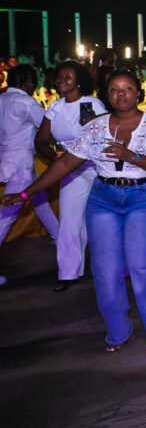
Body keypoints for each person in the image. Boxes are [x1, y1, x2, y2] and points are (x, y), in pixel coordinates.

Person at [3, 70, 146, 351]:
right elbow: (64, 164)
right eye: (114, 89)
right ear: (107, 96)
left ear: (138, 93)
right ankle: (118, 330)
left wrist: (131, 156)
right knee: (105, 270)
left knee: (141, 265)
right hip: (103, 200)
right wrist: (26, 193)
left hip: (142, 198)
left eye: (128, 88)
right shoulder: (95, 128)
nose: (121, 94)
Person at [33, 61, 107, 291]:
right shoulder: (55, 107)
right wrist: (58, 160)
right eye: (59, 76)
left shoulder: (91, 104)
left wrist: (94, 122)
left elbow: (104, 136)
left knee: (104, 220)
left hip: (97, 168)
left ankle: (117, 267)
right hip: (70, 170)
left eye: (68, 76)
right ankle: (68, 272)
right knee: (69, 220)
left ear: (79, 80)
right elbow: (40, 141)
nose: (62, 80)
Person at [0, 65, 61, 283]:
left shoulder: (2, 99)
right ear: (28, 83)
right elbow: (48, 128)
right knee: (7, 216)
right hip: (21, 163)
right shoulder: (25, 102)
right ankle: (60, 239)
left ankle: (59, 238)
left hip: (7, 159)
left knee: (40, 200)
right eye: (33, 82)